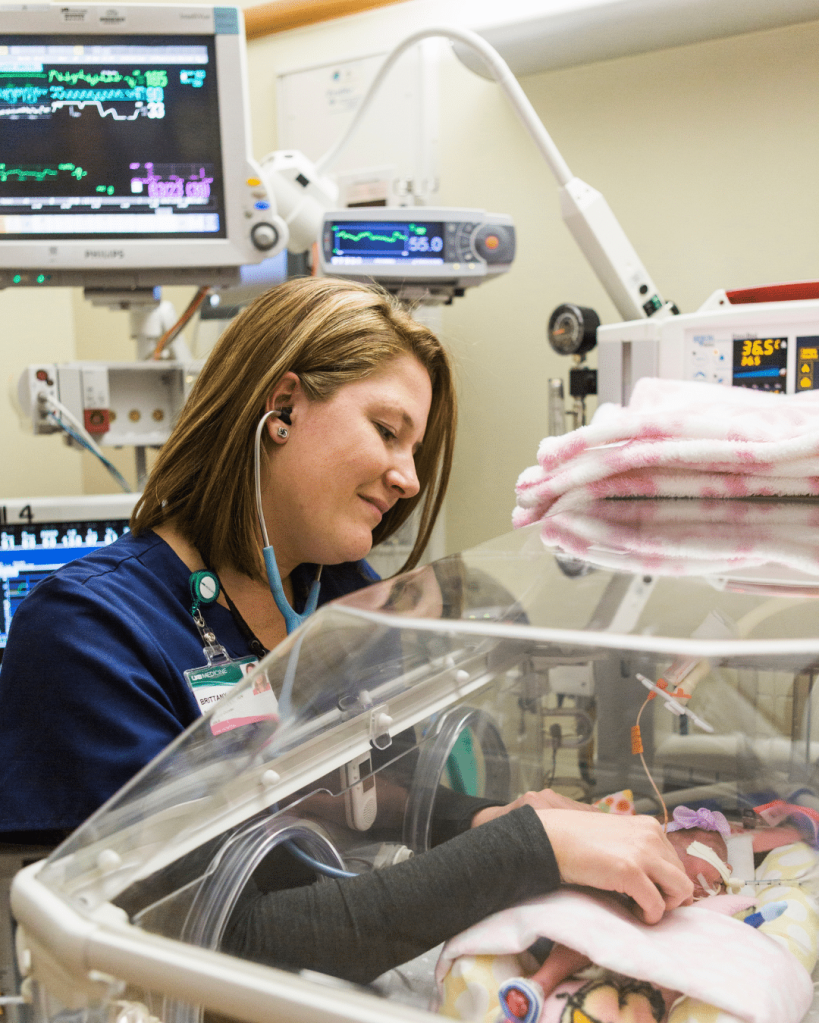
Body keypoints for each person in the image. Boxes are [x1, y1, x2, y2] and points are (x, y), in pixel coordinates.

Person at [0, 276, 693, 984]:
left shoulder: (348, 594)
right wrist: (526, 846)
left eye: (415, 449)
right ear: (282, 406)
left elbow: (358, 808)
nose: (409, 479)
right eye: (387, 431)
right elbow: (212, 929)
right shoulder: (90, 633)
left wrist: (481, 816)